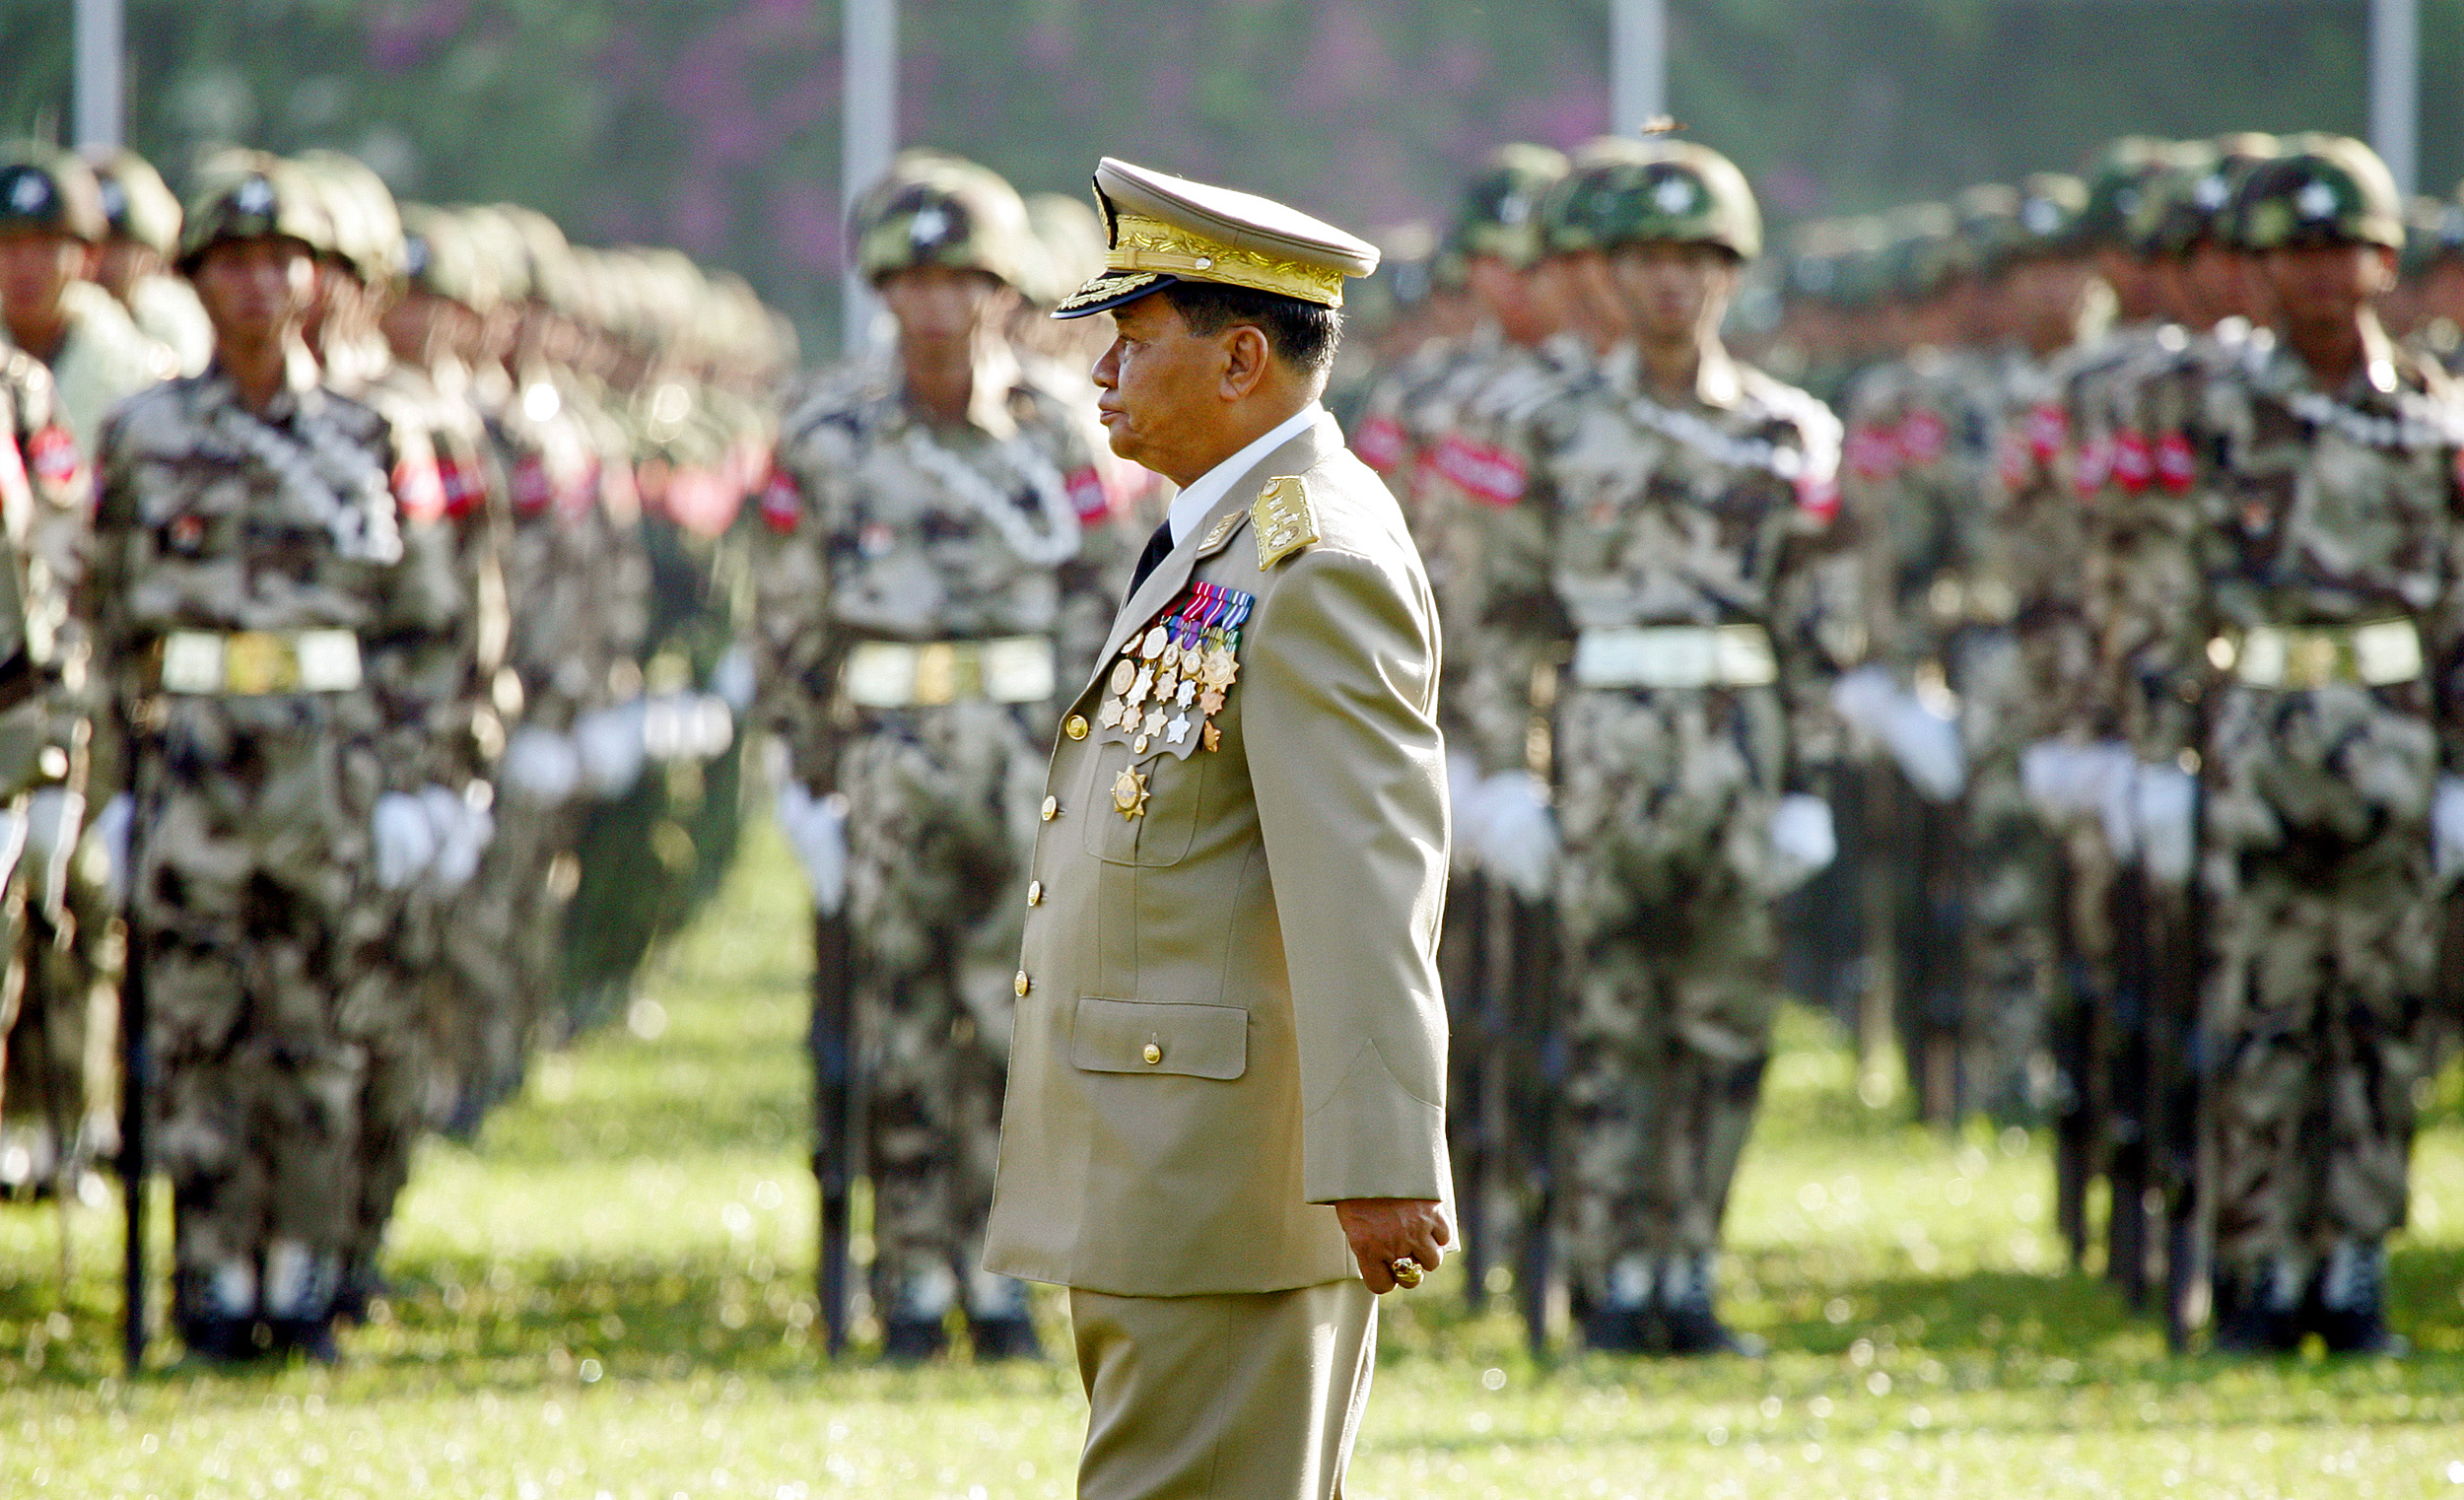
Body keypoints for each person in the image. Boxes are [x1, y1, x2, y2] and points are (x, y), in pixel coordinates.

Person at [983, 157, 1451, 1499]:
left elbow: (1364, 879)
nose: (1101, 373)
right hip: (1171, 1168)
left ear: (1242, 357)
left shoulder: (1315, 561)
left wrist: (1375, 1157)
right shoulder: (1226, 538)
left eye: (1133, 340)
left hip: (1236, 1184)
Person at [1451, 139, 1854, 1355]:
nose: (1672, 285)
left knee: (1725, 1027)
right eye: (1647, 261)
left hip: (1740, 749)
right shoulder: (1553, 429)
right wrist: (1506, 779)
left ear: (1729, 275)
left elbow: (1818, 626)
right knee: (1610, 1022)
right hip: (1605, 744)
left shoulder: (1789, 432)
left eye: (1696, 261)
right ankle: (1609, 1273)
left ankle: (1690, 1267)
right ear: (1609, 276)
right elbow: (1498, 618)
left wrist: (1812, 786)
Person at [88, 153, 466, 1362]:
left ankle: (300, 1275)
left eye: (279, 262)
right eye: (232, 263)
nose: (257, 284)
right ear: (195, 280)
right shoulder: (144, 433)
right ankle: (210, 1281)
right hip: (194, 760)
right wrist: (99, 795)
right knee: (196, 1027)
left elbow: (429, 624)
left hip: (329, 769)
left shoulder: (373, 431)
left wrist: (420, 779)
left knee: (312, 1027)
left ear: (314, 282)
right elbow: (105, 629)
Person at [755, 153, 1123, 1362]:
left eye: (958, 280)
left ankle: (1002, 1273)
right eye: (909, 282)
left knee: (1021, 1026)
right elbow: (790, 622)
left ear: (999, 291)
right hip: (887, 759)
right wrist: (805, 780)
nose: (934, 306)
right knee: (898, 1031)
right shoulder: (825, 433)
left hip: (1024, 759)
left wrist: (1094, 767)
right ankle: (909, 1271)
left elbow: (1098, 608)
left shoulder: (1057, 428)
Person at [2111, 137, 2460, 1356]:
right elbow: (2160, 597)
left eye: (2341, 249)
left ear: (2381, 261)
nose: (2318, 275)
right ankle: (2259, 1269)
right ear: (2253, 273)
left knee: (2377, 1023)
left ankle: (2352, 1269)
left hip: (2390, 740)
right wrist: (2152, 762)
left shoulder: (2433, 416)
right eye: (2291, 253)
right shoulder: (2205, 409)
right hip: (2255, 739)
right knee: (2260, 1017)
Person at [0, 144, 176, 453]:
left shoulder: (139, 375)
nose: (25, 266)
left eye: (46, 247)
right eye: (9, 245)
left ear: (89, 257)